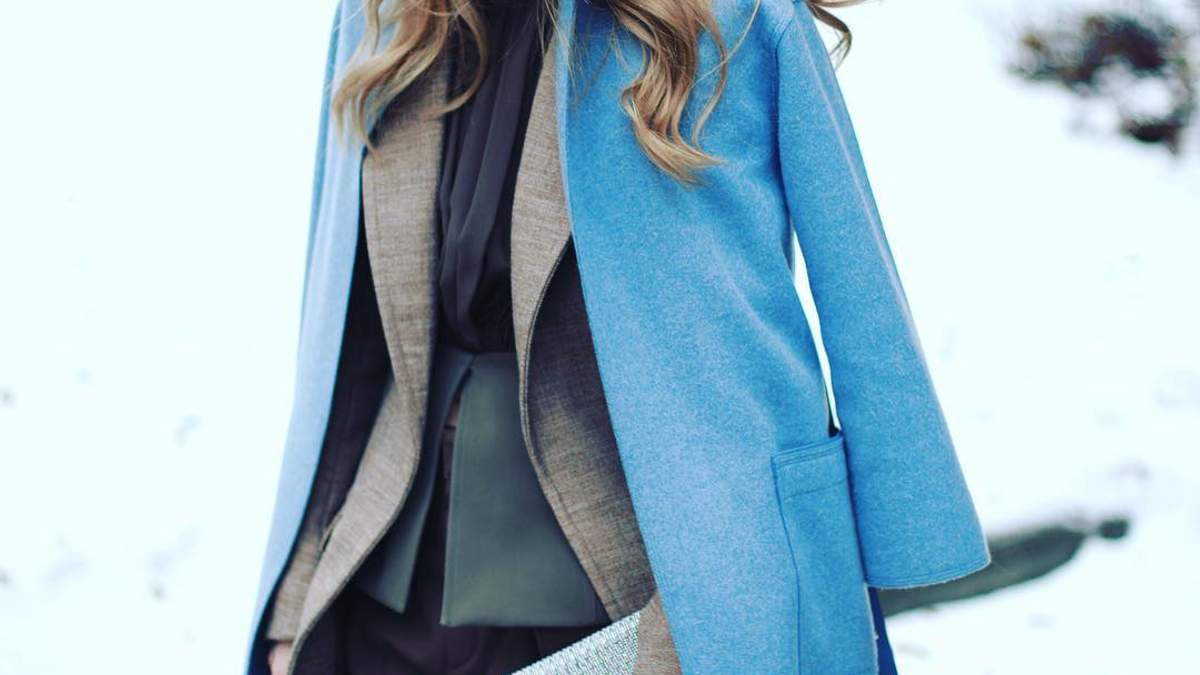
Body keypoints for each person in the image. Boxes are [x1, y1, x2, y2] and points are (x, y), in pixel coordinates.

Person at [247, 0, 991, 672]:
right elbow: (347, 337)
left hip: (653, 591)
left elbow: (855, 282)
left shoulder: (731, 18)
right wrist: (293, 600)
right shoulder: (383, 19)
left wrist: (890, 528)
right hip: (386, 596)